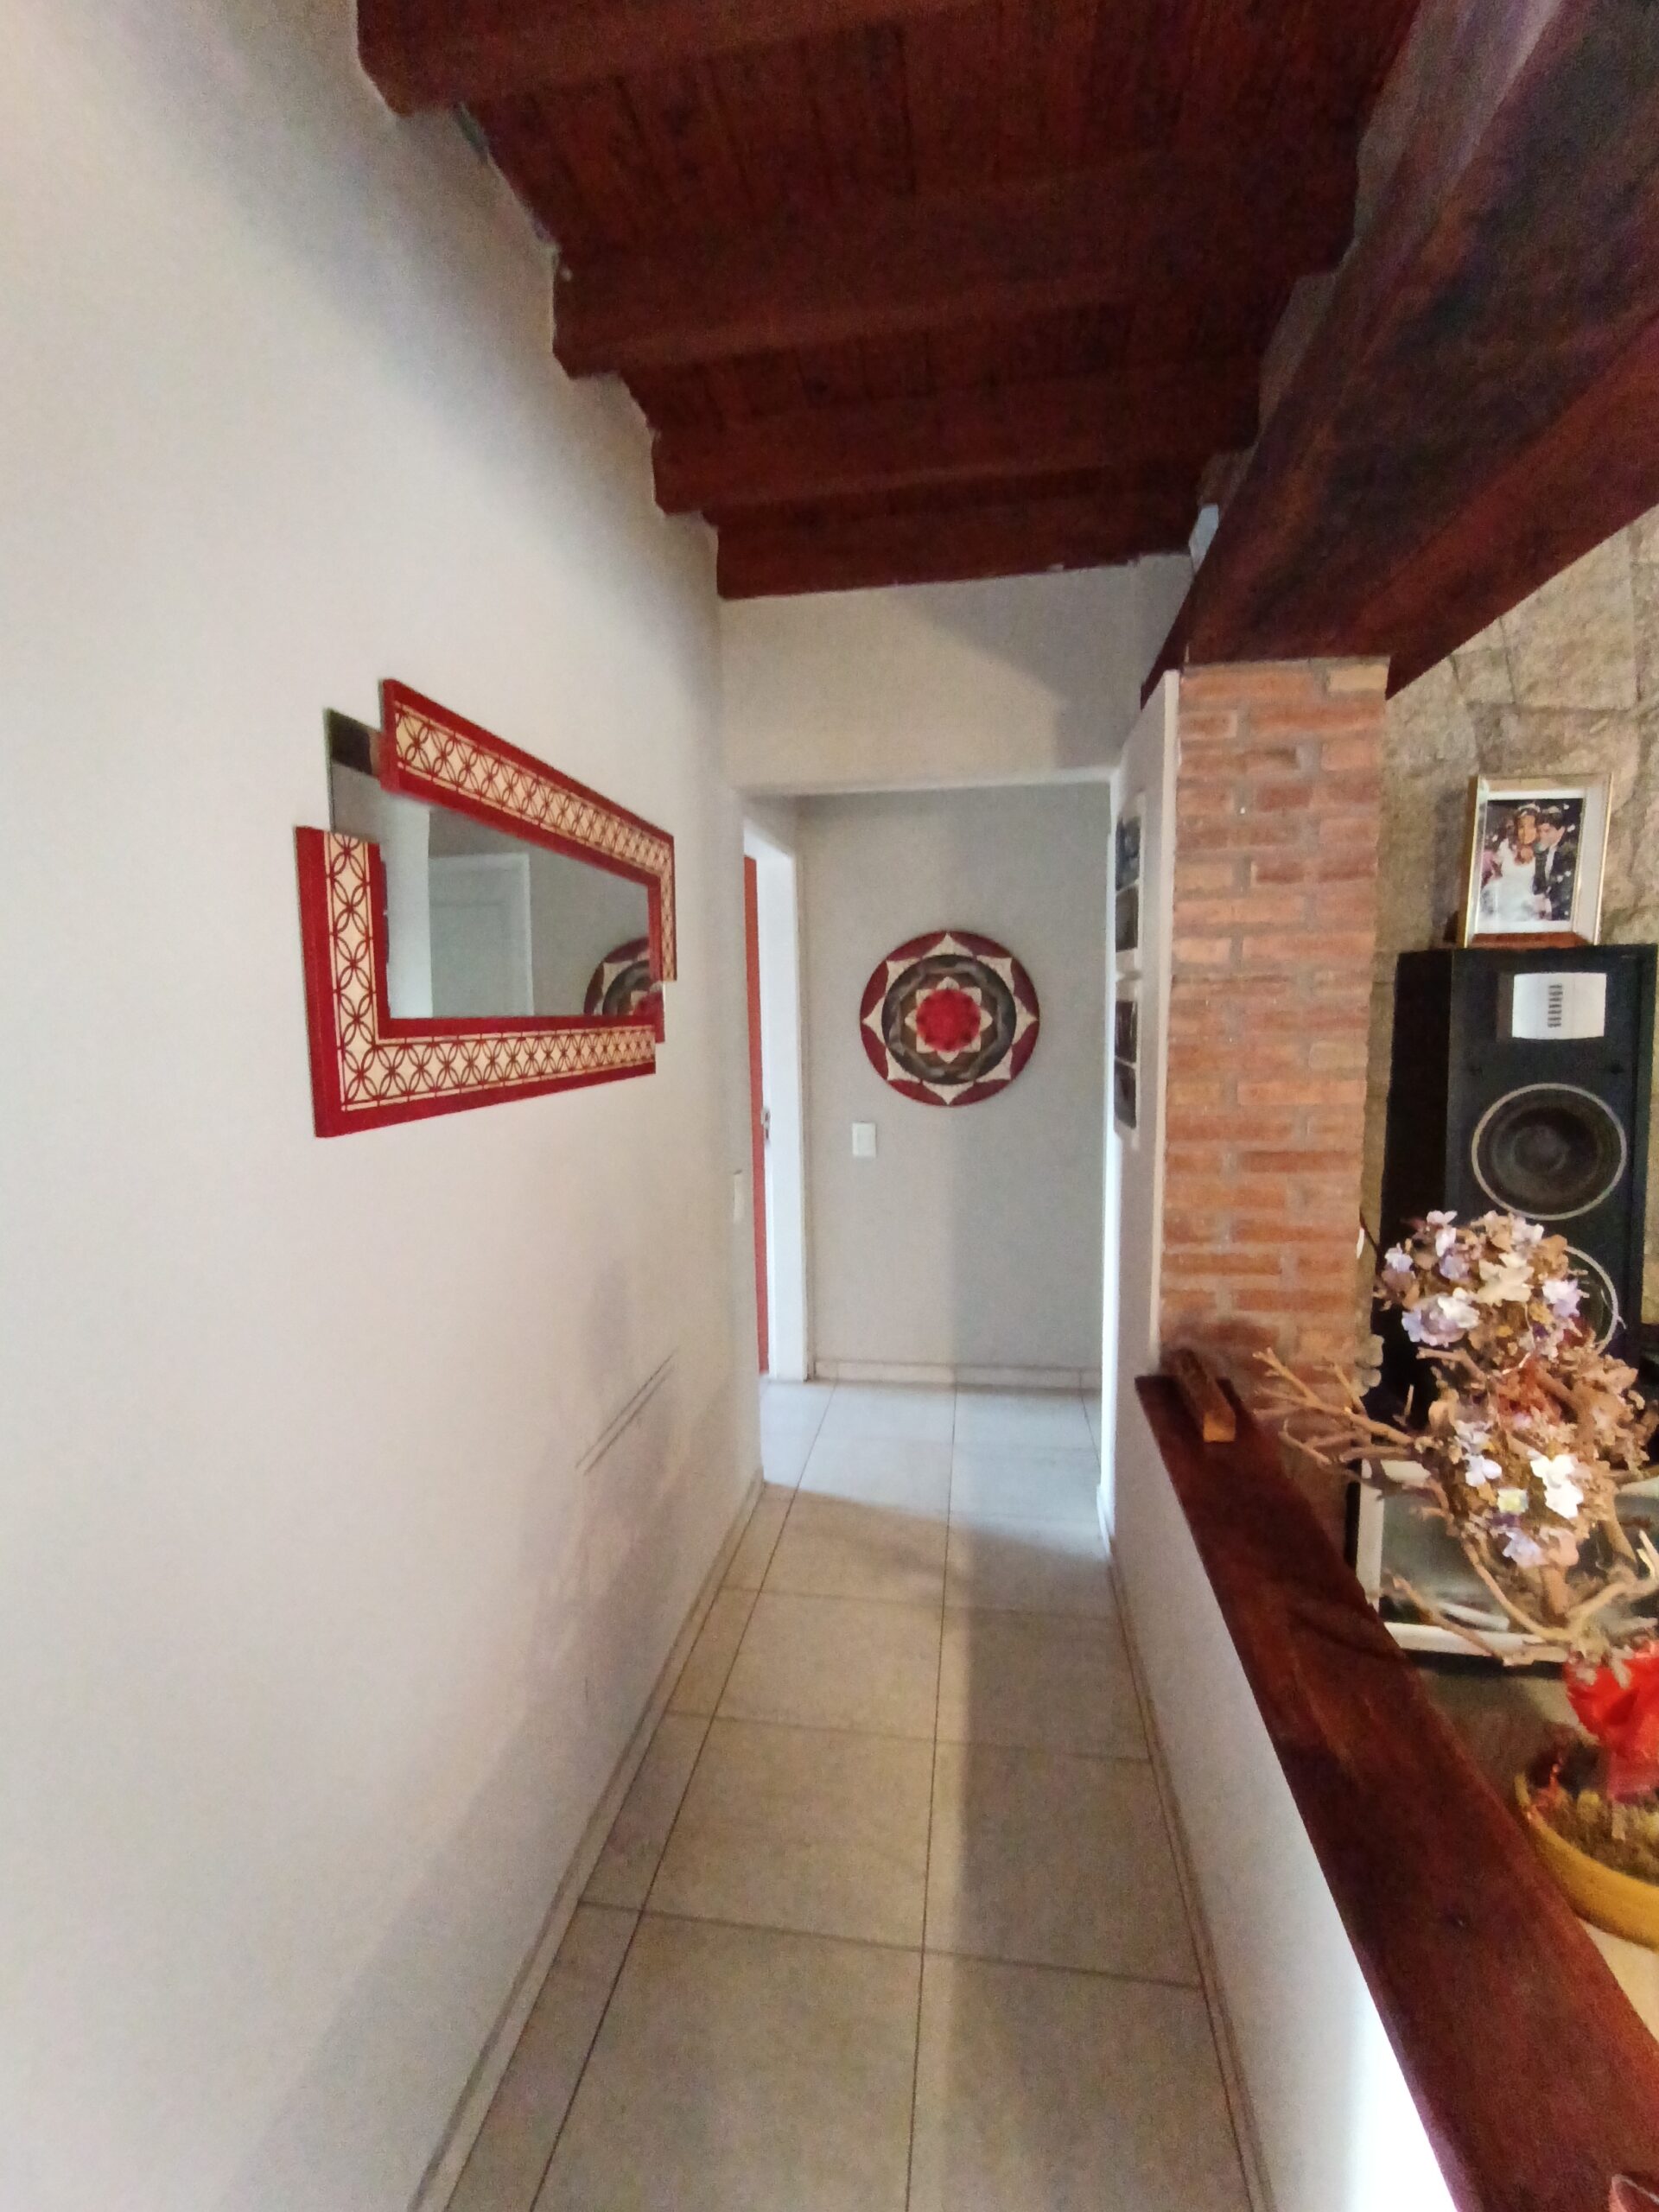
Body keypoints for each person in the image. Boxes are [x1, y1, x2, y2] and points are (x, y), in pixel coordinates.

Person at [1479, 804, 1550, 926]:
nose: (1525, 832)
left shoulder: (1543, 858)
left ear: (1537, 829)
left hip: (1524, 913)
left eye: (1531, 827)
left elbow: (1542, 892)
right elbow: (1495, 878)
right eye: (1522, 827)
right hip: (1499, 909)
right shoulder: (1505, 850)